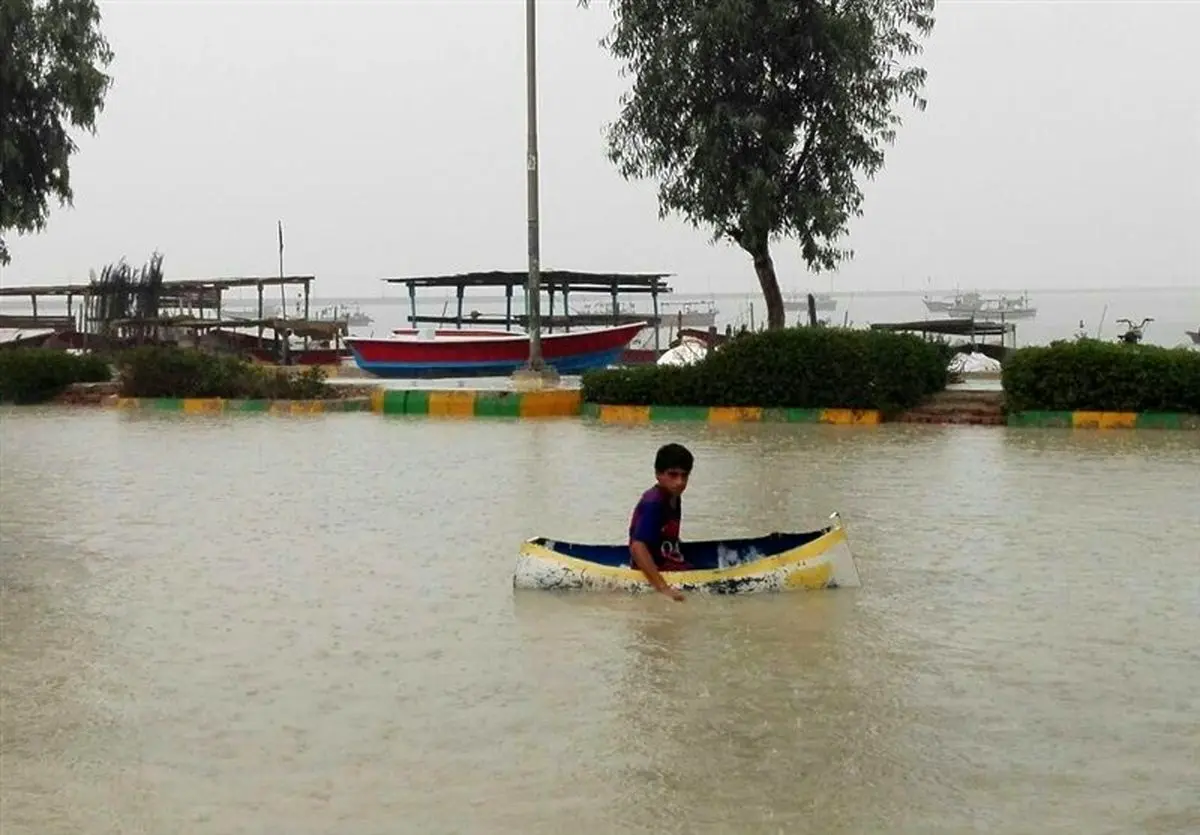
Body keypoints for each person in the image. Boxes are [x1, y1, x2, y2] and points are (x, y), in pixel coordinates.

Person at [628, 443, 694, 602]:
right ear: (658, 474)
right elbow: (637, 547)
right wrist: (663, 588)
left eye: (684, 476)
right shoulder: (654, 502)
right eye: (673, 475)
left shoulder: (674, 496)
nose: (679, 482)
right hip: (653, 568)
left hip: (667, 559)